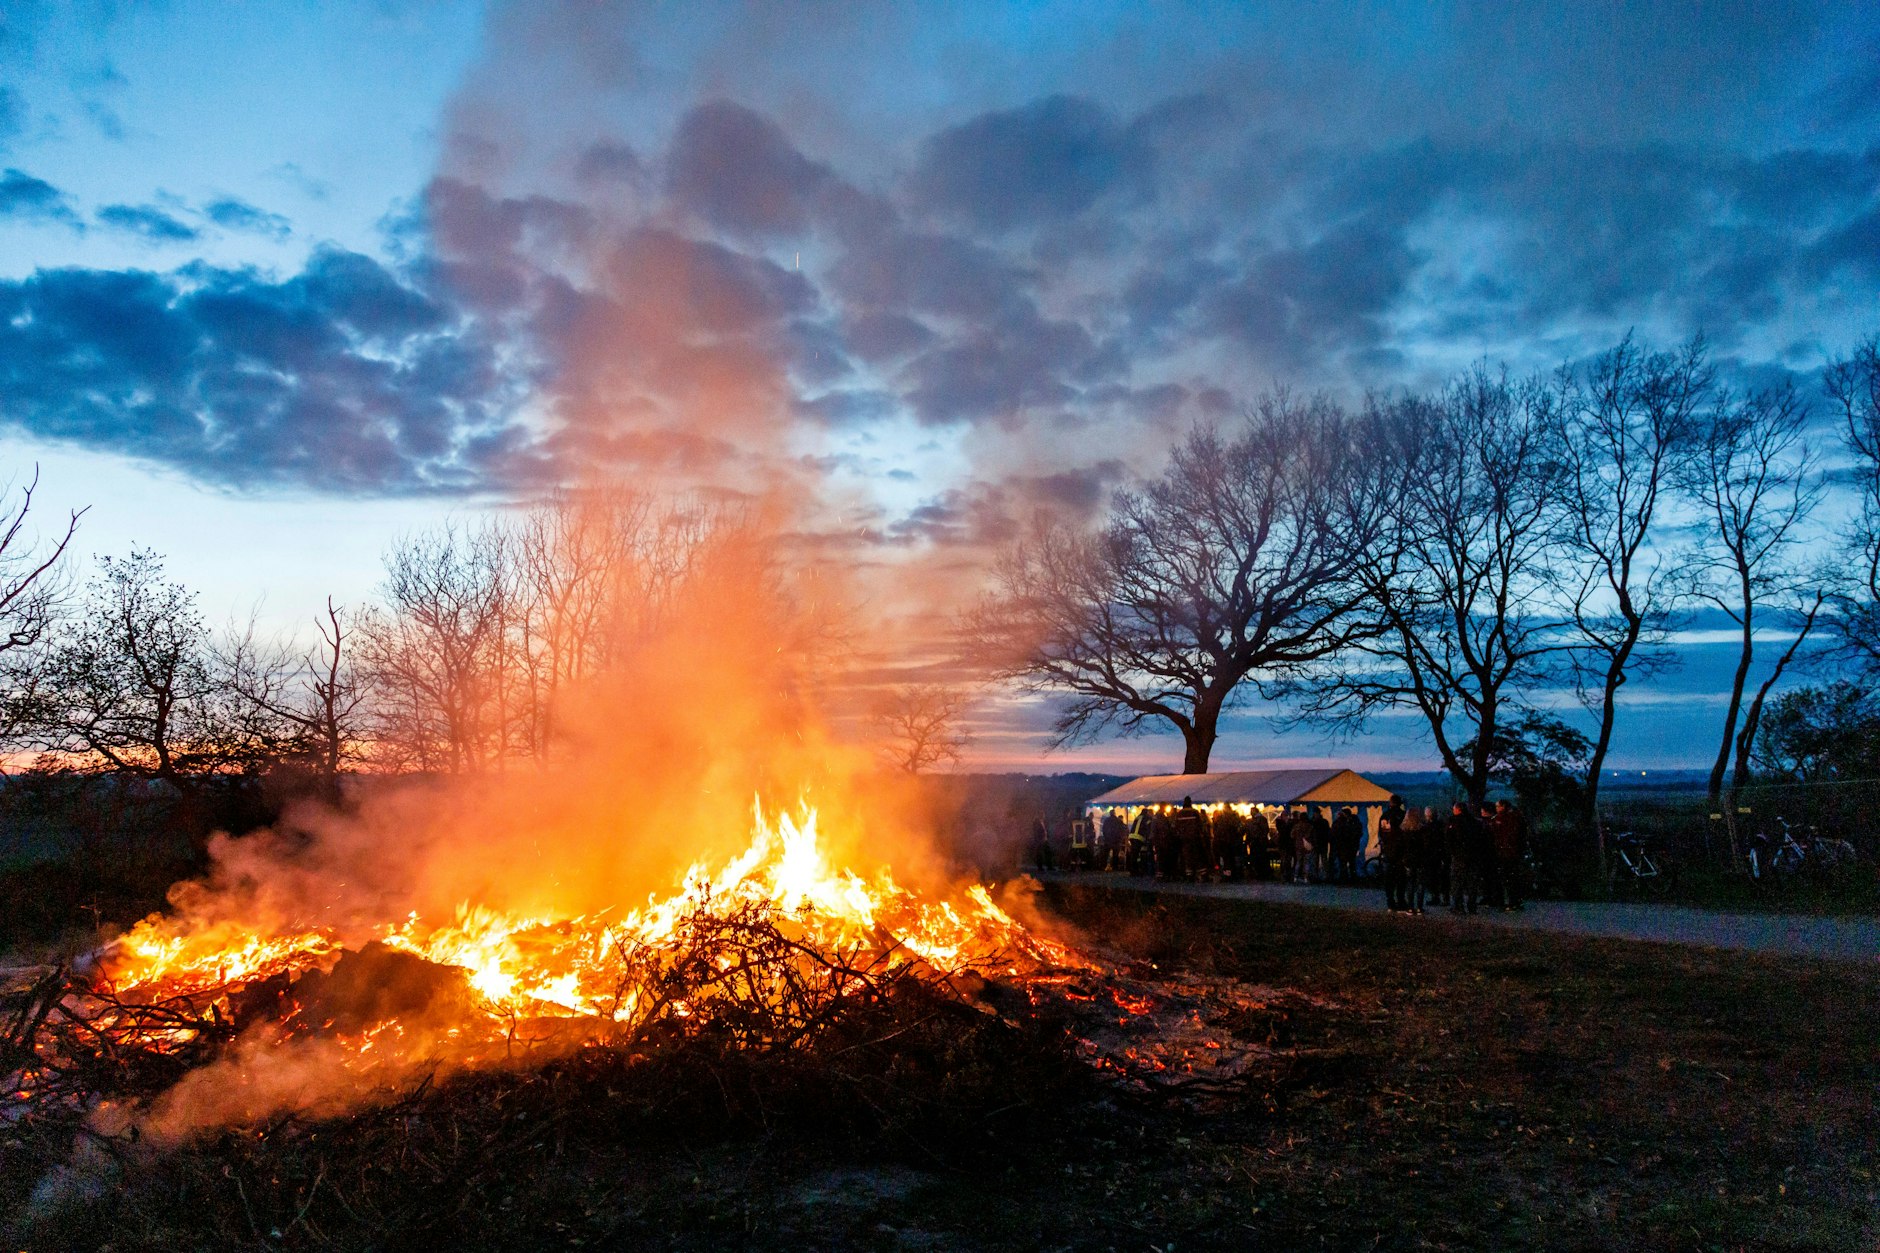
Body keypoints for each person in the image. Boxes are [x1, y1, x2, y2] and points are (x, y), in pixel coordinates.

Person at [1447, 801, 1486, 914]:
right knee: (1472, 883)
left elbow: (1449, 840)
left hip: (1459, 856)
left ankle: (1458, 907)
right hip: (1473, 856)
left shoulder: (1453, 821)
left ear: (1458, 809)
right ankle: (1472, 906)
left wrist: (1452, 852)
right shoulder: (1475, 822)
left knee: (1457, 882)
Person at [1491, 799, 1529, 910]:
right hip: (1513, 852)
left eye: (1498, 806)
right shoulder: (1517, 817)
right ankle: (1516, 901)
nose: (1496, 809)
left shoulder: (1504, 819)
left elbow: (1504, 835)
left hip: (1507, 853)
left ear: (1503, 806)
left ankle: (1512, 902)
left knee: (1509, 878)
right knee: (1513, 877)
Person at [1379, 794, 1408, 910]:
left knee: (1389, 879)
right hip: (1400, 851)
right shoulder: (1403, 815)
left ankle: (1390, 902)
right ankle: (1401, 901)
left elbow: (1381, 833)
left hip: (1388, 850)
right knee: (1401, 878)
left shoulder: (1384, 816)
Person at [1421, 806, 1450, 906]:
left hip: (1432, 855)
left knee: (1434, 877)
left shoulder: (1428, 827)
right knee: (1441, 877)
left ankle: (1436, 897)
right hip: (1439, 854)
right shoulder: (1440, 825)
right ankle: (1444, 898)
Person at [1400, 805, 1427, 914]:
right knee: (1420, 883)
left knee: (1410, 883)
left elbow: (1401, 846)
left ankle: (1410, 907)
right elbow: (1425, 845)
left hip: (1408, 860)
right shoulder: (1422, 829)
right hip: (1420, 859)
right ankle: (1420, 907)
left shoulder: (1404, 831)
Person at [1173, 796, 1207, 881]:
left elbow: (1176, 827)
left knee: (1187, 858)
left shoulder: (1179, 813)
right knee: (1198, 857)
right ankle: (1203, 875)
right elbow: (1201, 826)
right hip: (1195, 839)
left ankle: (1189, 876)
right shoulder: (1195, 812)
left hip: (1184, 840)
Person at [1211, 806, 1245, 881]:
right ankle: (1233, 875)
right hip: (1232, 842)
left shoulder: (1221, 819)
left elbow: (1215, 830)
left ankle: (1227, 876)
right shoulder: (1235, 818)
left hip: (1223, 842)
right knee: (1231, 860)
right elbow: (1241, 829)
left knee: (1226, 861)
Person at [1331, 807, 1362, 884]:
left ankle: (1344, 878)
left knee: (1344, 863)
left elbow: (1337, 834)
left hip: (1344, 846)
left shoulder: (1343, 822)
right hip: (1351, 846)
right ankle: (1352, 878)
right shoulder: (1355, 822)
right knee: (1351, 862)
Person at [1245, 807, 1272, 880]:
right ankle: (1261, 873)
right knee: (1260, 858)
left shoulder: (1258, 820)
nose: (1251, 813)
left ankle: (1260, 873)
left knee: (1259, 858)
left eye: (1252, 811)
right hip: (1258, 842)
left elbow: (1264, 831)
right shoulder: (1259, 820)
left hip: (1258, 842)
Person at [1151, 807, 1177, 880]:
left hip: (1158, 842)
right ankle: (1165, 874)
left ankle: (1160, 874)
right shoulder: (1163, 818)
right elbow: (1167, 830)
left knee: (1160, 858)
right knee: (1164, 858)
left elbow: (1153, 831)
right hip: (1164, 842)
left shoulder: (1155, 818)